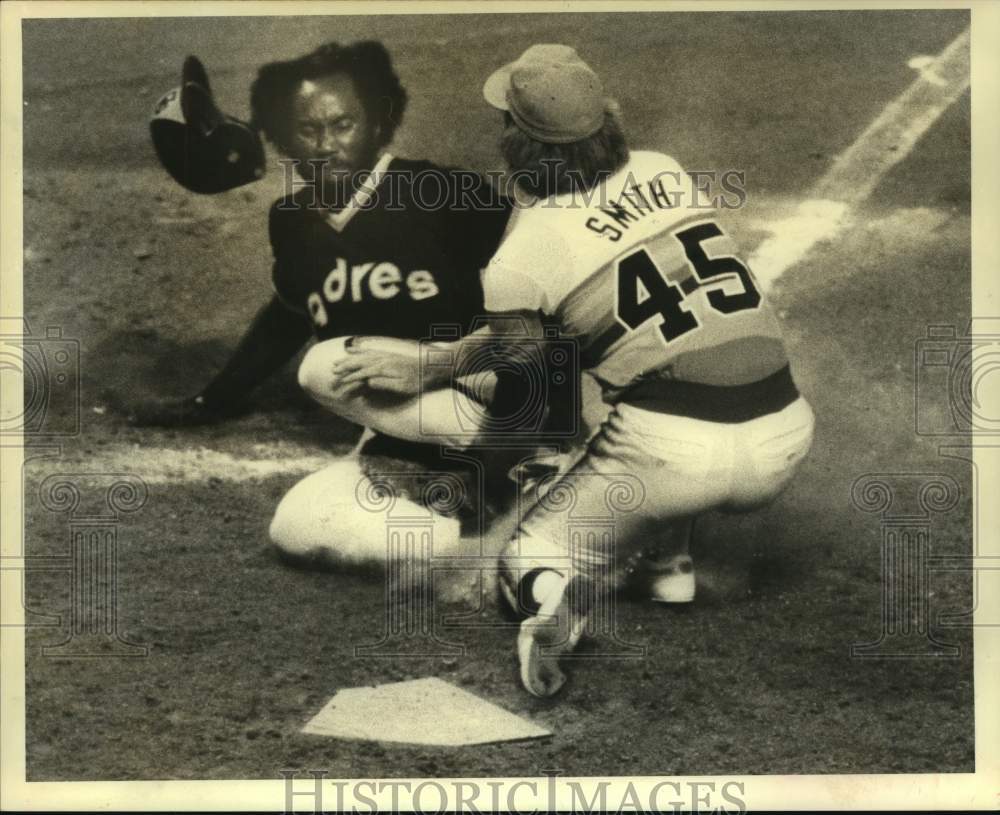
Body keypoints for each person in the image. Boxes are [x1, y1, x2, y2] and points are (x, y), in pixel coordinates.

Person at [337, 44, 815, 696]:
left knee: (530, 554)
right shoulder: (666, 170)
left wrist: (431, 364)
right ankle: (667, 565)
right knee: (669, 366)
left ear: (515, 140)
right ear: (607, 117)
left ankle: (550, 601)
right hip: (786, 432)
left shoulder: (524, 254)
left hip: (669, 454)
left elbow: (524, 356)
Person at [130, 41, 516, 565]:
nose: (326, 145)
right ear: (283, 138)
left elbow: (549, 278)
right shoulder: (291, 222)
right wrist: (215, 399)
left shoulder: (440, 191)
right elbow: (291, 314)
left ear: (377, 123)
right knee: (300, 527)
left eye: (343, 124)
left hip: (486, 400)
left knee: (324, 365)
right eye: (307, 130)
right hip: (401, 426)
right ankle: (494, 541)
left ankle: (529, 464)